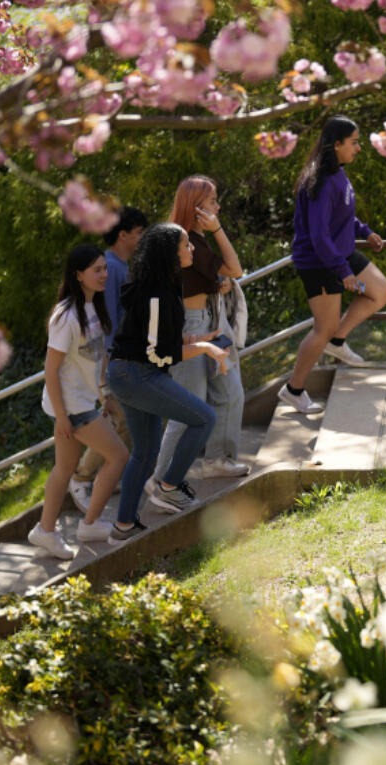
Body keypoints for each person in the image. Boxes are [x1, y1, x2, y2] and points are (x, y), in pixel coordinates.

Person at [106, 223, 229, 542]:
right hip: (136, 375)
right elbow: (159, 354)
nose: (192, 249)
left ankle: (123, 526)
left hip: (129, 372)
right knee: (205, 418)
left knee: (145, 451)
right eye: (186, 245)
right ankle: (170, 486)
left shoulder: (162, 284)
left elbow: (155, 339)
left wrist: (194, 338)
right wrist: (202, 349)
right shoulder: (157, 293)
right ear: (168, 253)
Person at [279, 115, 386, 414]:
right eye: (354, 142)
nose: (358, 148)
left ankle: (338, 340)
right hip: (320, 261)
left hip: (339, 253)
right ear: (337, 144)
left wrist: (364, 231)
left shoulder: (338, 173)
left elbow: (342, 217)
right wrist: (342, 272)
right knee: (323, 328)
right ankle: (294, 389)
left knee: (381, 292)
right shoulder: (319, 181)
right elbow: (318, 234)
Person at [29, 244, 129, 558]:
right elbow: (51, 369)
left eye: (104, 267)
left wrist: (106, 394)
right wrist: (62, 417)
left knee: (65, 468)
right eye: (97, 269)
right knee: (118, 455)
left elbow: (97, 358)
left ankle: (45, 531)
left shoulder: (93, 308)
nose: (104, 274)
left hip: (83, 402)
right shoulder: (66, 315)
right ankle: (89, 523)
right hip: (72, 407)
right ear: (78, 275)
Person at [152, 175, 250, 483]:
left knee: (229, 392)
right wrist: (218, 230)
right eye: (212, 202)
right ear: (196, 207)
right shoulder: (185, 240)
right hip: (189, 327)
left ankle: (217, 460)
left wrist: (214, 286)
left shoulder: (194, 239)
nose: (218, 207)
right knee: (189, 409)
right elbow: (235, 269)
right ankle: (158, 480)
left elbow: (215, 275)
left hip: (208, 320)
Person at [68, 206, 147, 513]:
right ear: (123, 234)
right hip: (113, 361)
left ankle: (103, 475)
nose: (142, 238)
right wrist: (108, 372)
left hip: (122, 358)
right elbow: (108, 321)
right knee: (117, 419)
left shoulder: (119, 265)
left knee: (125, 420)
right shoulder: (111, 267)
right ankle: (82, 477)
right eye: (139, 232)